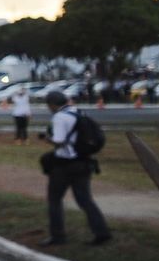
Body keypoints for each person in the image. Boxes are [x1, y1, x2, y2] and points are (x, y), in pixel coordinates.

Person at [41, 90, 111, 246]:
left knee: (54, 200)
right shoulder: (77, 111)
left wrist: (48, 139)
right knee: (85, 200)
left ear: (52, 104)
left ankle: (57, 236)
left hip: (65, 164)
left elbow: (58, 141)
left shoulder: (59, 117)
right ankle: (101, 231)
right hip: (84, 161)